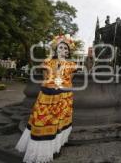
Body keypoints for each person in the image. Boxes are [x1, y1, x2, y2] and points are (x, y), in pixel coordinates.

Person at [15, 34, 77, 163]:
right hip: (47, 96)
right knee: (43, 121)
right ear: (56, 49)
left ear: (68, 51)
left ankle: (55, 147)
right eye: (60, 48)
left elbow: (69, 80)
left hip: (64, 97)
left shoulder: (72, 65)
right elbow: (45, 78)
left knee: (59, 122)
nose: (63, 51)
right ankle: (39, 152)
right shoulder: (48, 62)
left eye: (66, 49)